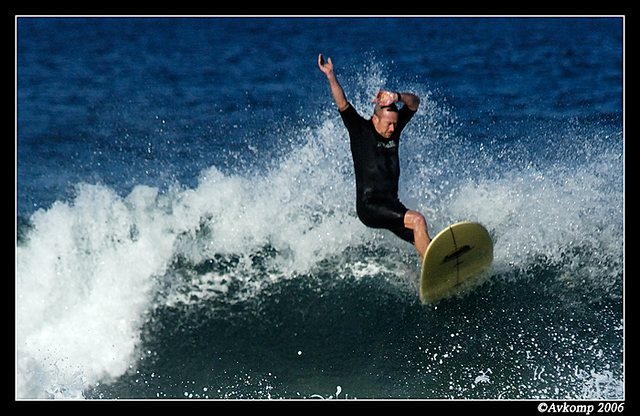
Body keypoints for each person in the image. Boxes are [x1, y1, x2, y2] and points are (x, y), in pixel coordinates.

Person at [318, 54, 431, 262]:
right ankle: (435, 266)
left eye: (395, 124)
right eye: (388, 124)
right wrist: (331, 76)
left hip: (391, 205)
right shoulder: (361, 131)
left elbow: (415, 102)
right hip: (369, 206)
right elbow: (342, 103)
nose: (392, 128)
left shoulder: (394, 129)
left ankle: (433, 273)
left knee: (421, 235)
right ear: (375, 118)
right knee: (417, 220)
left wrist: (396, 97)